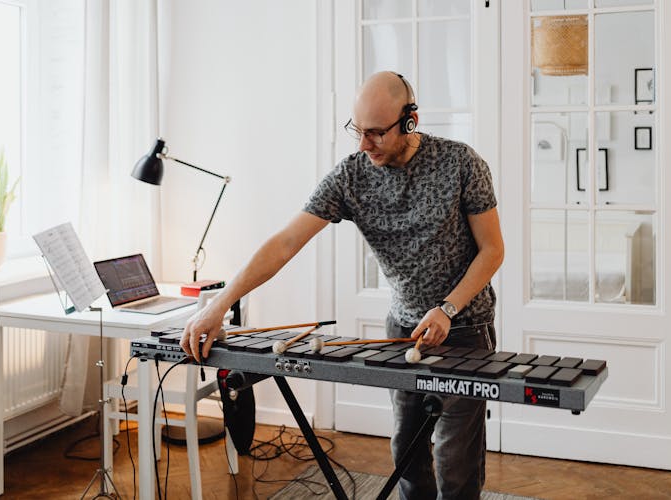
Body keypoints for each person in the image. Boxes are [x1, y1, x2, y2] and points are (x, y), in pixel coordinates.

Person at [180, 70, 504, 499]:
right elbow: (285, 242)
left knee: (454, 460)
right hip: (403, 330)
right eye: (357, 130)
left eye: (375, 133)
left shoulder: (462, 164)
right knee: (406, 453)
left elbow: (492, 250)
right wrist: (217, 306)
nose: (364, 144)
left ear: (410, 121)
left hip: (464, 328)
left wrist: (448, 308)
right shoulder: (351, 177)